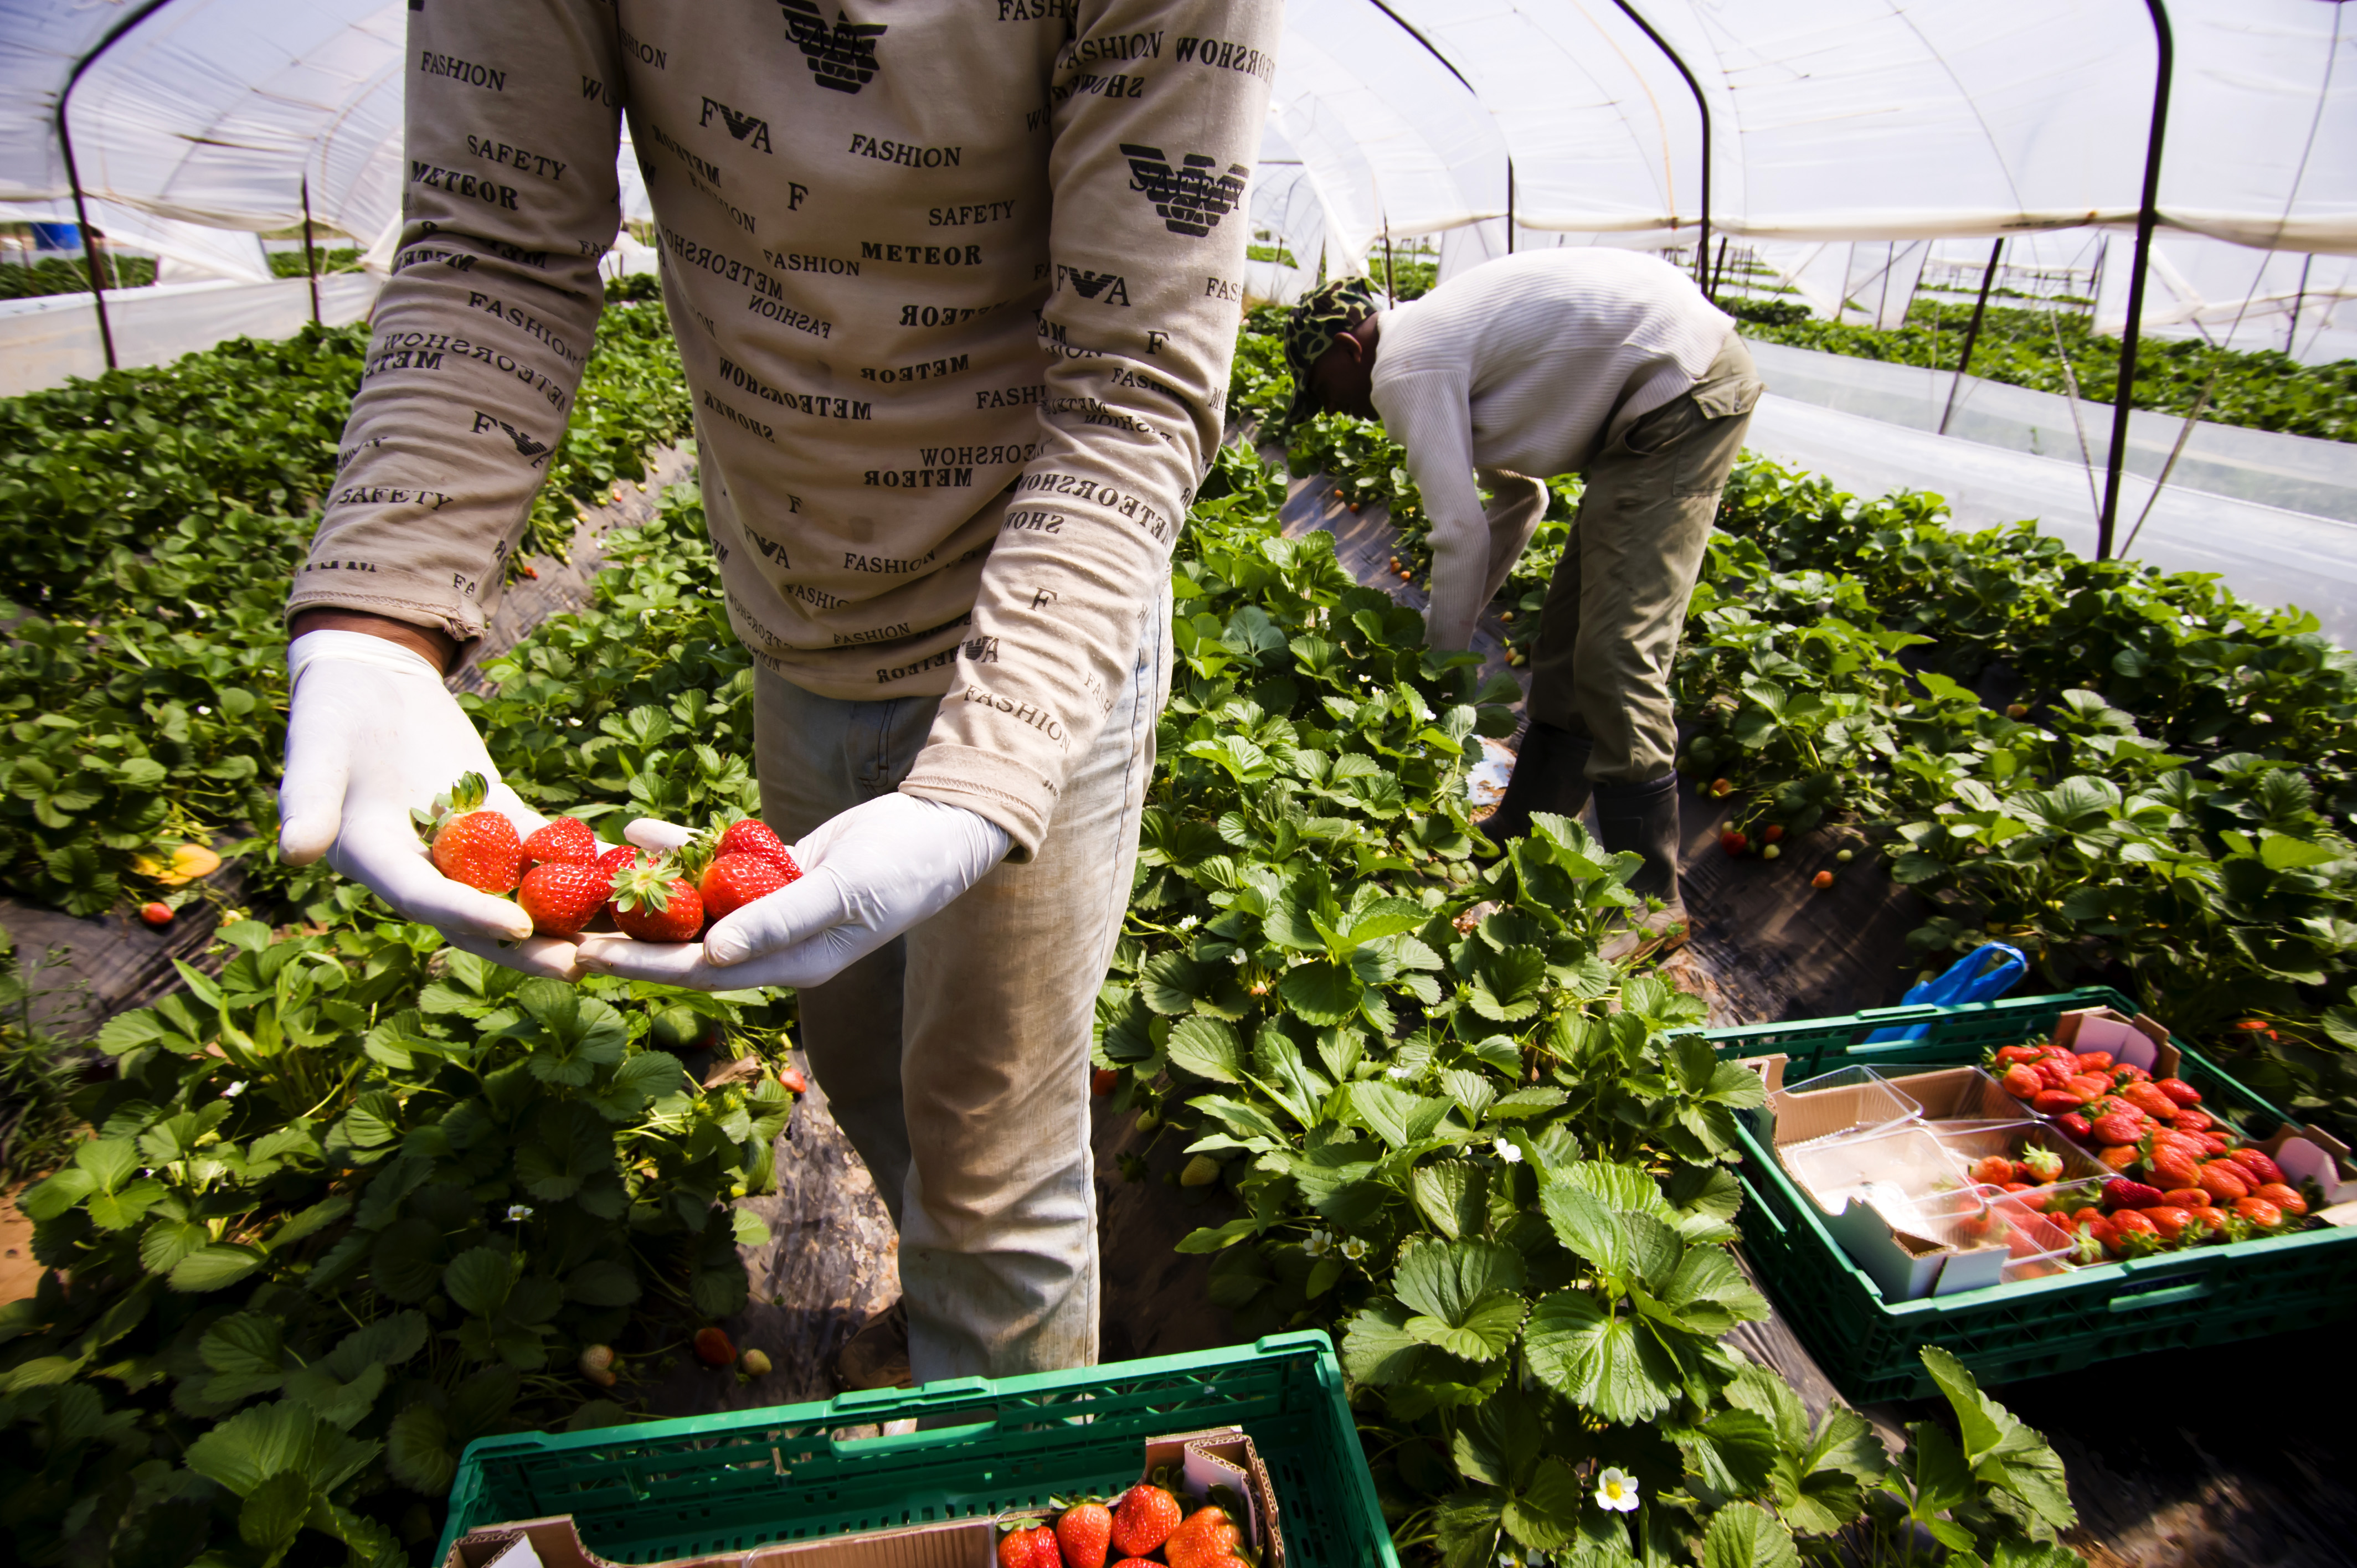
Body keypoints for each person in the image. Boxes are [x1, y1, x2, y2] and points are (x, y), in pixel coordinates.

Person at [279, 1, 1276, 1390]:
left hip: (1042, 632)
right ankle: (947, 1318)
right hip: (797, 619)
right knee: (857, 1057)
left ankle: (999, 1486)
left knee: (992, 1149)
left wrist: (984, 778)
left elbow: (1133, 378)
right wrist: (376, 617)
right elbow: (494, 244)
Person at [1282, 250, 1763, 952]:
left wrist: (1439, 678)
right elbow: (1520, 498)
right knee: (1564, 641)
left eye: (1321, 387)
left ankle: (1651, 902)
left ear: (1350, 348)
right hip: (1651, 401)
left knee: (1616, 647)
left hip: (1681, 396)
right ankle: (1521, 835)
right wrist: (1461, 617)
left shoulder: (1404, 367)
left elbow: (1459, 531)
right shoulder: (1436, 345)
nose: (1331, 408)